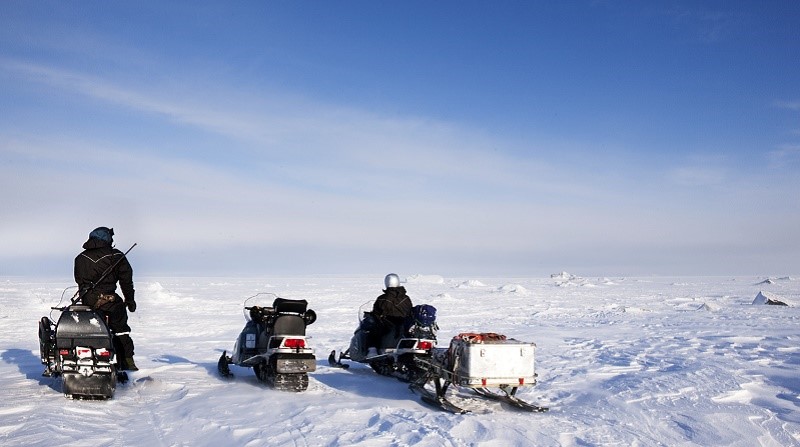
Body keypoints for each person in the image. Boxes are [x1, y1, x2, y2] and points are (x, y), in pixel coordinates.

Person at [74, 227, 138, 371]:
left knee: (91, 329)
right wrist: (130, 300)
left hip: (88, 302)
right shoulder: (116, 256)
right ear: (108, 239)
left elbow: (80, 282)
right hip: (110, 302)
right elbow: (126, 281)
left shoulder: (80, 258)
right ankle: (127, 362)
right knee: (121, 329)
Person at [367, 273, 413, 355]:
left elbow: (376, 313)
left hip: (389, 325)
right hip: (403, 325)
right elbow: (410, 310)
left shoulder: (383, 298)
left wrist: (373, 315)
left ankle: (372, 351)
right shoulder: (406, 298)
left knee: (372, 329)